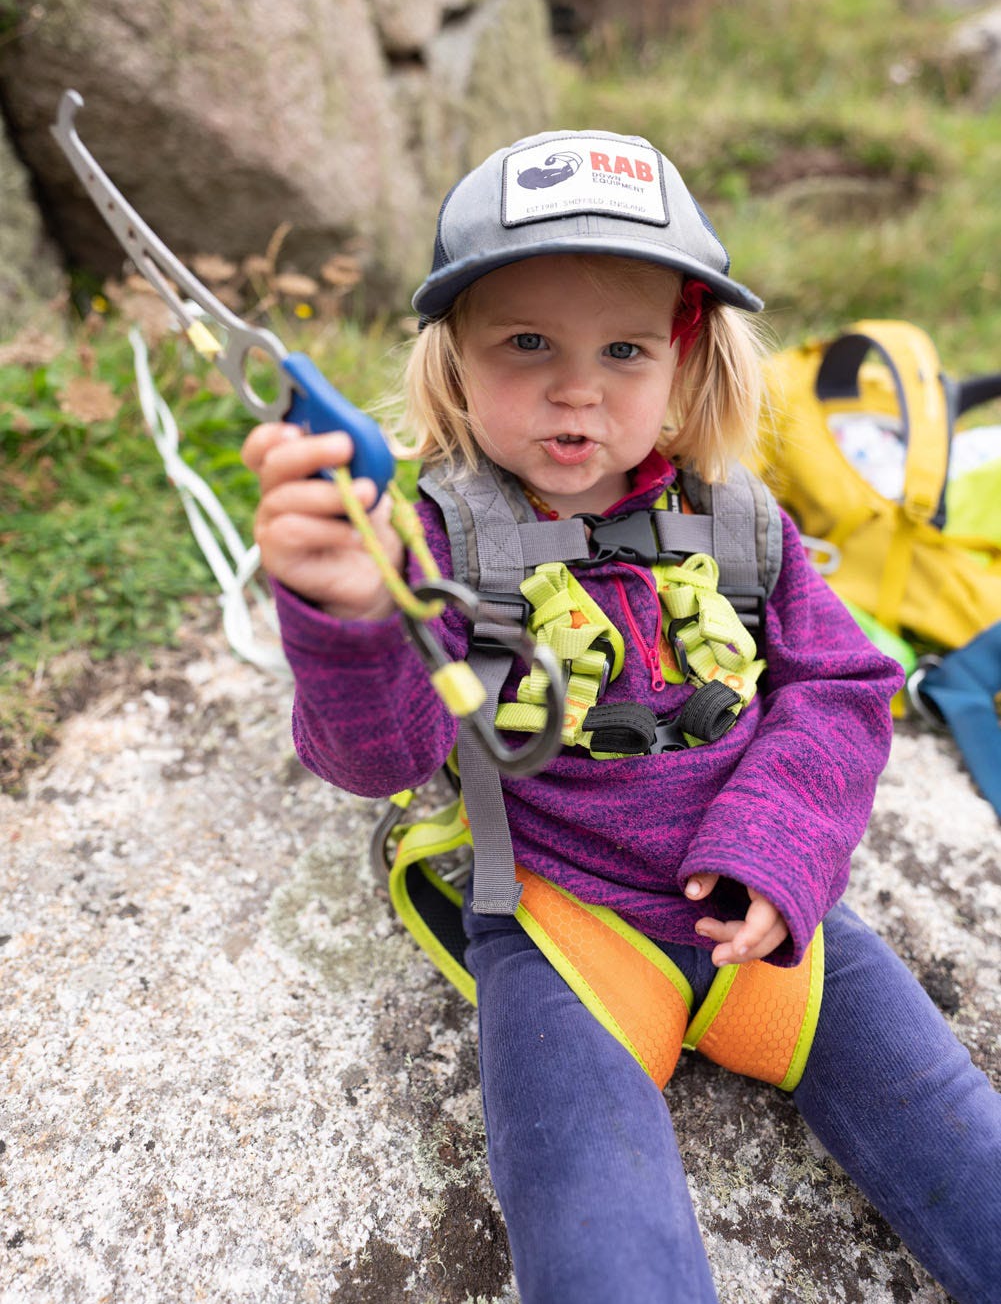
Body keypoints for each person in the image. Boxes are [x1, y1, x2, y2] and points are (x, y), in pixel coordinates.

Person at [243, 130, 1001, 1304]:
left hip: (773, 919)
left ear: (687, 355)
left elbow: (845, 685)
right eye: (526, 341)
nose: (575, 387)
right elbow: (377, 756)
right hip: (559, 929)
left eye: (624, 348)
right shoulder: (430, 543)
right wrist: (345, 610)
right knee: (595, 1243)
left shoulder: (744, 525)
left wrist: (777, 852)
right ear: (453, 356)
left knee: (964, 1148)